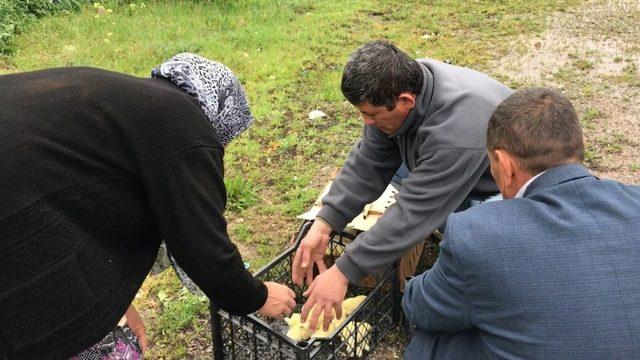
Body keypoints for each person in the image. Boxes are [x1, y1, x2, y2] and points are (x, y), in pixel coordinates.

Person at [0, 53, 296, 359]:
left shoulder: (129, 104)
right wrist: (256, 296)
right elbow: (200, 243)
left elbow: (72, 196)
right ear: (219, 113)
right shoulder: (181, 121)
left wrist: (115, 302)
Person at [402, 88, 640, 359]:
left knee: (434, 342)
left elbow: (424, 309)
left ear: (504, 165)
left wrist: (412, 287)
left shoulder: (477, 235)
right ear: (580, 141)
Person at [291, 40, 512, 329]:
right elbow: (368, 161)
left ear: (406, 101)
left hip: (499, 188)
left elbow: (414, 211)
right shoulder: (401, 84)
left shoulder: (456, 132)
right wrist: (324, 222)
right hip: (447, 163)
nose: (366, 122)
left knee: (479, 248)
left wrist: (343, 271)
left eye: (371, 114)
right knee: (398, 172)